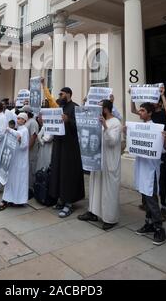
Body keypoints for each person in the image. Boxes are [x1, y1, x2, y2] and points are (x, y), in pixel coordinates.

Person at [78, 100, 122, 230]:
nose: (97, 110)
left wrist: (105, 126)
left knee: (109, 190)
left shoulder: (115, 123)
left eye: (99, 107)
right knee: (95, 186)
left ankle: (110, 218)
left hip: (109, 162)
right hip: (97, 160)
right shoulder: (97, 120)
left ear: (106, 110)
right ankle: (93, 212)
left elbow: (112, 141)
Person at [130, 85, 166, 221]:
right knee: (147, 180)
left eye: (155, 99)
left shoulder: (161, 115)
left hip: (161, 152)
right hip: (148, 153)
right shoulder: (149, 116)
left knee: (161, 180)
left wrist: (162, 95)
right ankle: (147, 204)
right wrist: (133, 95)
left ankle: (164, 208)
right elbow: (133, 110)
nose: (152, 101)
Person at [133, 102, 166, 246]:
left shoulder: (157, 128)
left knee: (151, 198)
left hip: (151, 170)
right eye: (140, 110)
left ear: (149, 113)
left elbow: (164, 150)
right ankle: (148, 223)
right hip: (141, 168)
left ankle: (159, 228)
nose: (140, 112)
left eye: (142, 110)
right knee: (145, 198)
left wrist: (165, 140)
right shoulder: (137, 127)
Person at [49, 87, 85, 218]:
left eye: (61, 94)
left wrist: (68, 120)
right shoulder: (59, 107)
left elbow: (80, 126)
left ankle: (69, 203)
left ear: (68, 94)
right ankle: (61, 199)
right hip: (58, 144)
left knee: (68, 174)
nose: (59, 96)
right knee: (58, 172)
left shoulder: (75, 107)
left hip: (70, 148)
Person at [0, 112, 30, 210]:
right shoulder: (19, 129)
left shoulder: (24, 130)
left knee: (19, 181)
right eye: (18, 118)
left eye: (20, 118)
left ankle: (18, 200)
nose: (18, 120)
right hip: (14, 159)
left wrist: (12, 133)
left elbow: (24, 145)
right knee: (11, 180)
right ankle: (8, 199)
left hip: (20, 161)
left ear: (24, 120)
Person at [19, 105, 39, 196]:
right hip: (25, 151)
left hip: (31, 151)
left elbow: (33, 136)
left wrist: (28, 148)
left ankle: (31, 190)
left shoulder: (33, 122)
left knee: (31, 170)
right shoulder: (26, 123)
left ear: (27, 113)